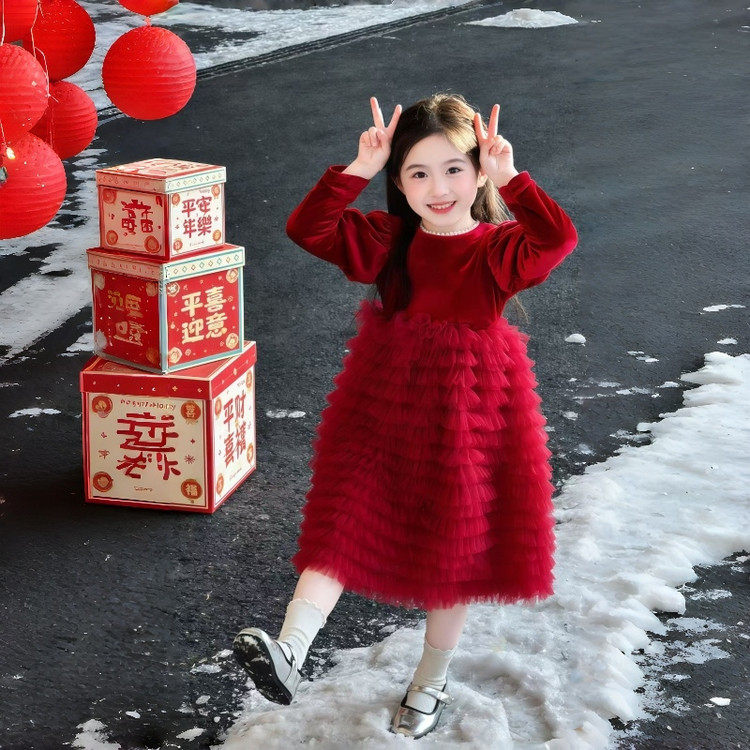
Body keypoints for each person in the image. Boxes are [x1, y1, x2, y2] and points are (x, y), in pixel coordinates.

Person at [234, 92, 578, 739]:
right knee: (343, 516)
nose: (438, 188)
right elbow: (308, 229)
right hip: (384, 401)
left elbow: (558, 238)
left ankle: (430, 681)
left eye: (453, 169)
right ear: (400, 182)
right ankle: (290, 650)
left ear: (477, 173)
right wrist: (359, 169)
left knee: (451, 549)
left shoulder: (497, 250)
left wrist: (512, 178)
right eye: (418, 173)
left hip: (469, 412)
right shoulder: (390, 242)